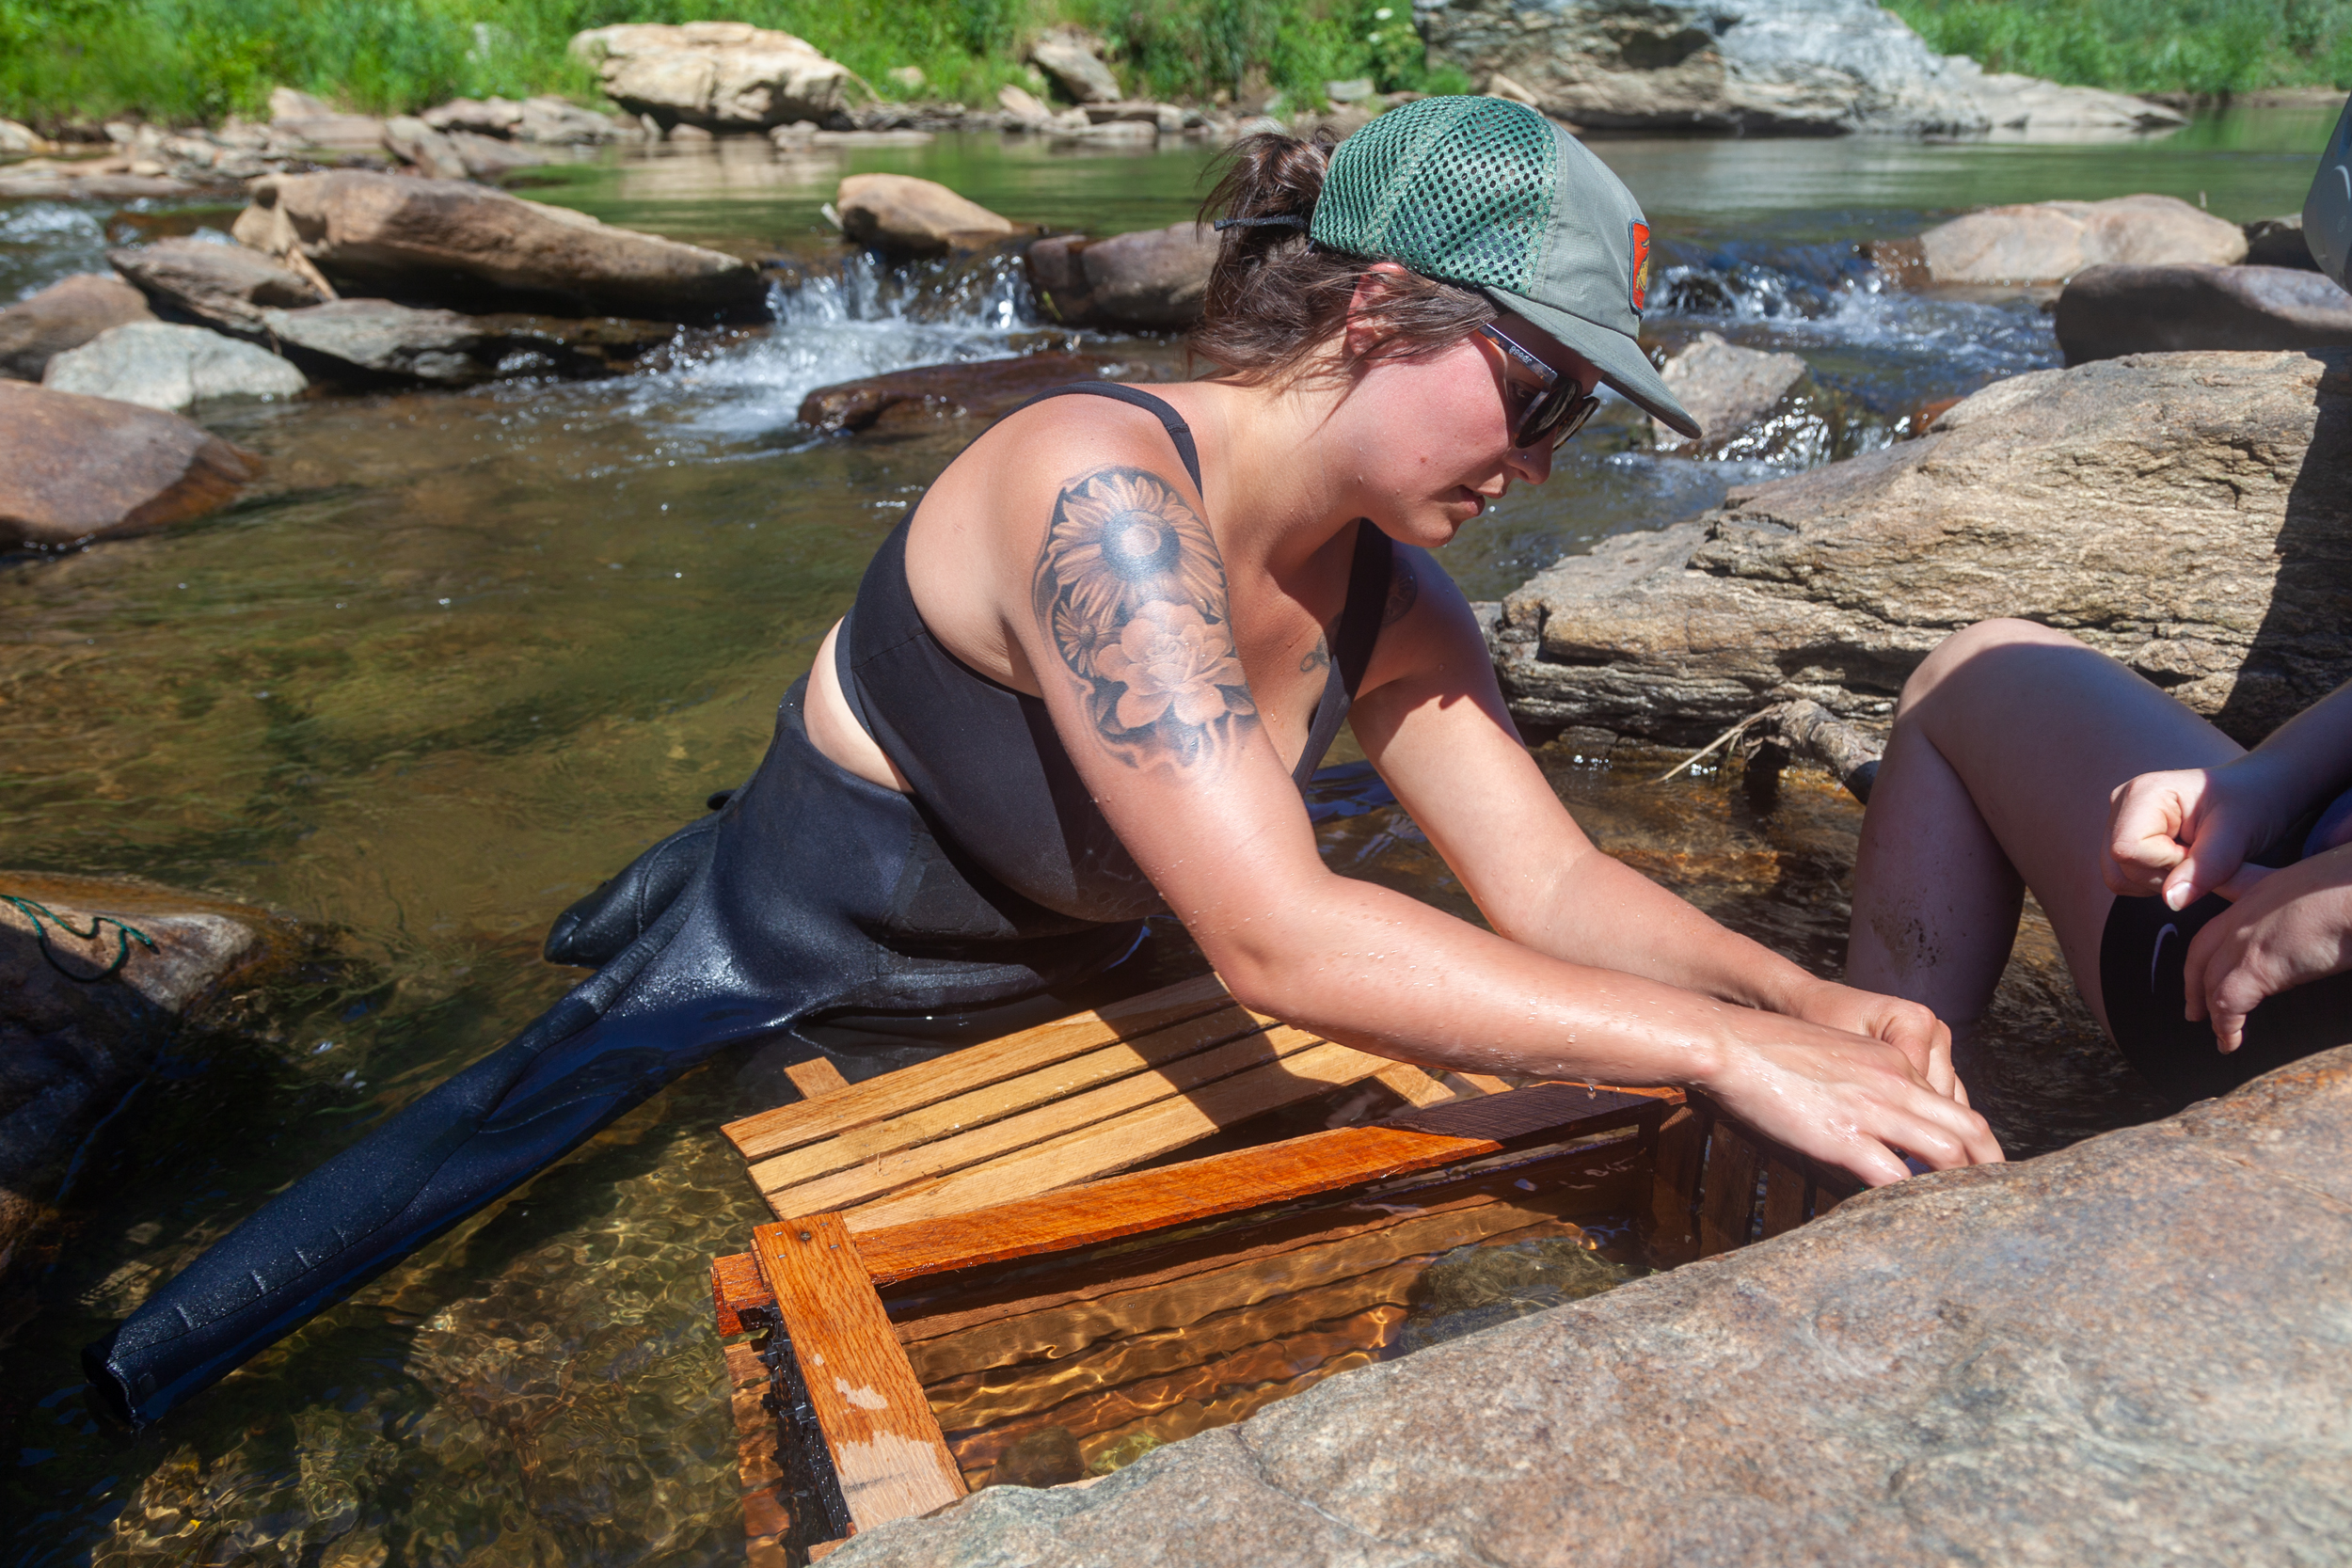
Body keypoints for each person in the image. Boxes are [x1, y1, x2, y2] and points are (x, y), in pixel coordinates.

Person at [87, 96, 1995, 1429]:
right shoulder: (1094, 489)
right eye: (1538, 387)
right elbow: (1271, 936)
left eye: (1580, 409)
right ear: (1373, 310)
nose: (1549, 459)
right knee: (388, 1223)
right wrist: (1723, 1053)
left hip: (1090, 964)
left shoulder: (1390, 595)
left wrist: (1802, 991)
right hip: (810, 972)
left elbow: (1555, 886)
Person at [1847, 618, 2352, 1109]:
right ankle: (1915, 1083)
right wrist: (2266, 781)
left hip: (2286, 992)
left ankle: (1896, 1117)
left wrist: (2335, 905)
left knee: (1957, 682)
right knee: (1972, 671)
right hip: (2286, 886)